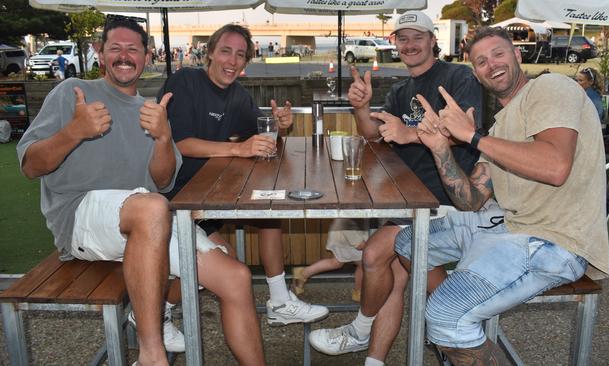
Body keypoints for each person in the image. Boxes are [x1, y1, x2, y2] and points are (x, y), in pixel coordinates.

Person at [16, 18, 265, 366]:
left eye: (133, 49)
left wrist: (164, 138)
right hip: (80, 219)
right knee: (151, 208)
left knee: (236, 278)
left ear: (147, 56)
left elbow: (162, 182)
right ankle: (152, 353)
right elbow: (30, 166)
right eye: (115, 47)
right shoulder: (73, 91)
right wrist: (74, 132)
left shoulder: (150, 111)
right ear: (100, 53)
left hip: (145, 223)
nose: (124, 55)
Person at [393, 26, 609, 364]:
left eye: (498, 53)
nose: (491, 64)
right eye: (480, 61)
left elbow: (555, 166)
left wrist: (472, 137)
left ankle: (453, 321)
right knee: (408, 242)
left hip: (556, 240)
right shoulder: (499, 127)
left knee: (444, 312)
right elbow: (471, 200)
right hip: (509, 225)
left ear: (517, 55)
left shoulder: (551, 88)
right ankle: (462, 327)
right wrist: (439, 149)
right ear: (476, 74)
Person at [309, 11, 482, 365]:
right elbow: (373, 135)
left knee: (374, 255)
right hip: (410, 200)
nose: (410, 44)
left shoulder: (457, 77)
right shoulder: (402, 91)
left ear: (433, 41)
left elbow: (466, 131)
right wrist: (360, 107)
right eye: (403, 38)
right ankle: (375, 360)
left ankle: (360, 330)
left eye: (418, 37)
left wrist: (410, 133)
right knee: (392, 277)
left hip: (447, 200)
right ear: (395, 44)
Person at [158, 23, 329, 327]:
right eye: (225, 51)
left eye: (240, 55)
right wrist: (237, 150)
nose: (232, 61)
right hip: (177, 201)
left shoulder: (238, 96)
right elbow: (181, 143)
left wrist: (279, 125)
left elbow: (259, 139)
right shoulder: (184, 81)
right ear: (209, 52)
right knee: (227, 265)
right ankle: (157, 310)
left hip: (215, 197)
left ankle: (279, 301)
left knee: (270, 214)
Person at [292, 218, 369, 302]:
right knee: (362, 264)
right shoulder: (348, 221)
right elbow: (360, 245)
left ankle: (303, 273)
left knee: (337, 262)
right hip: (345, 237)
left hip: (343, 233)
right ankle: (358, 292)